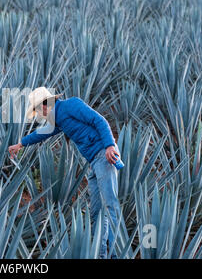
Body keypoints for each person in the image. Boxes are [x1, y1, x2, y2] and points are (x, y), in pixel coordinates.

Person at [8, 87, 122, 259]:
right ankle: (101, 255)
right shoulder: (58, 120)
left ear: (44, 106)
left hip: (104, 156)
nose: (40, 115)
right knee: (97, 212)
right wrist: (21, 144)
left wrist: (109, 145)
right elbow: (42, 133)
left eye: (39, 111)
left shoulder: (71, 105)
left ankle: (116, 254)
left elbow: (100, 121)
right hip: (94, 162)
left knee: (110, 206)